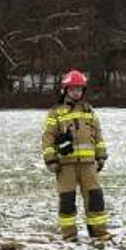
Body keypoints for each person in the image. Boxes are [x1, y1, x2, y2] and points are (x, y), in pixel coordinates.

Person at [41, 69, 110, 241]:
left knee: (95, 199)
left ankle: (99, 232)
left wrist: (101, 156)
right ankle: (69, 234)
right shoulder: (56, 113)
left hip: (88, 164)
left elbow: (98, 136)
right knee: (67, 201)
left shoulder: (89, 111)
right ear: (65, 90)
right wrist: (50, 159)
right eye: (72, 89)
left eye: (79, 89)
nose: (76, 92)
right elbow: (48, 137)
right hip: (65, 166)